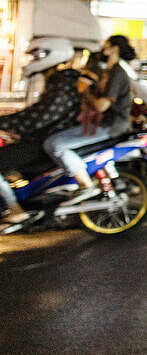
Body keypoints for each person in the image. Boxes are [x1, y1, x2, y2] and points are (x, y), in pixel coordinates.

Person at [42, 35, 135, 206]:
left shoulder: (116, 73)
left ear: (114, 48)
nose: (102, 48)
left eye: (106, 45)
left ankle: (85, 184)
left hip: (110, 126)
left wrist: (86, 92)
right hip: (100, 124)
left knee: (55, 144)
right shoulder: (108, 70)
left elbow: (101, 106)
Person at [0, 37, 83, 226]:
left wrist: (8, 122)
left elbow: (41, 115)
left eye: (35, 55)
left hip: (43, 142)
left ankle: (14, 209)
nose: (31, 60)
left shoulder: (62, 83)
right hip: (40, 138)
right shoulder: (59, 80)